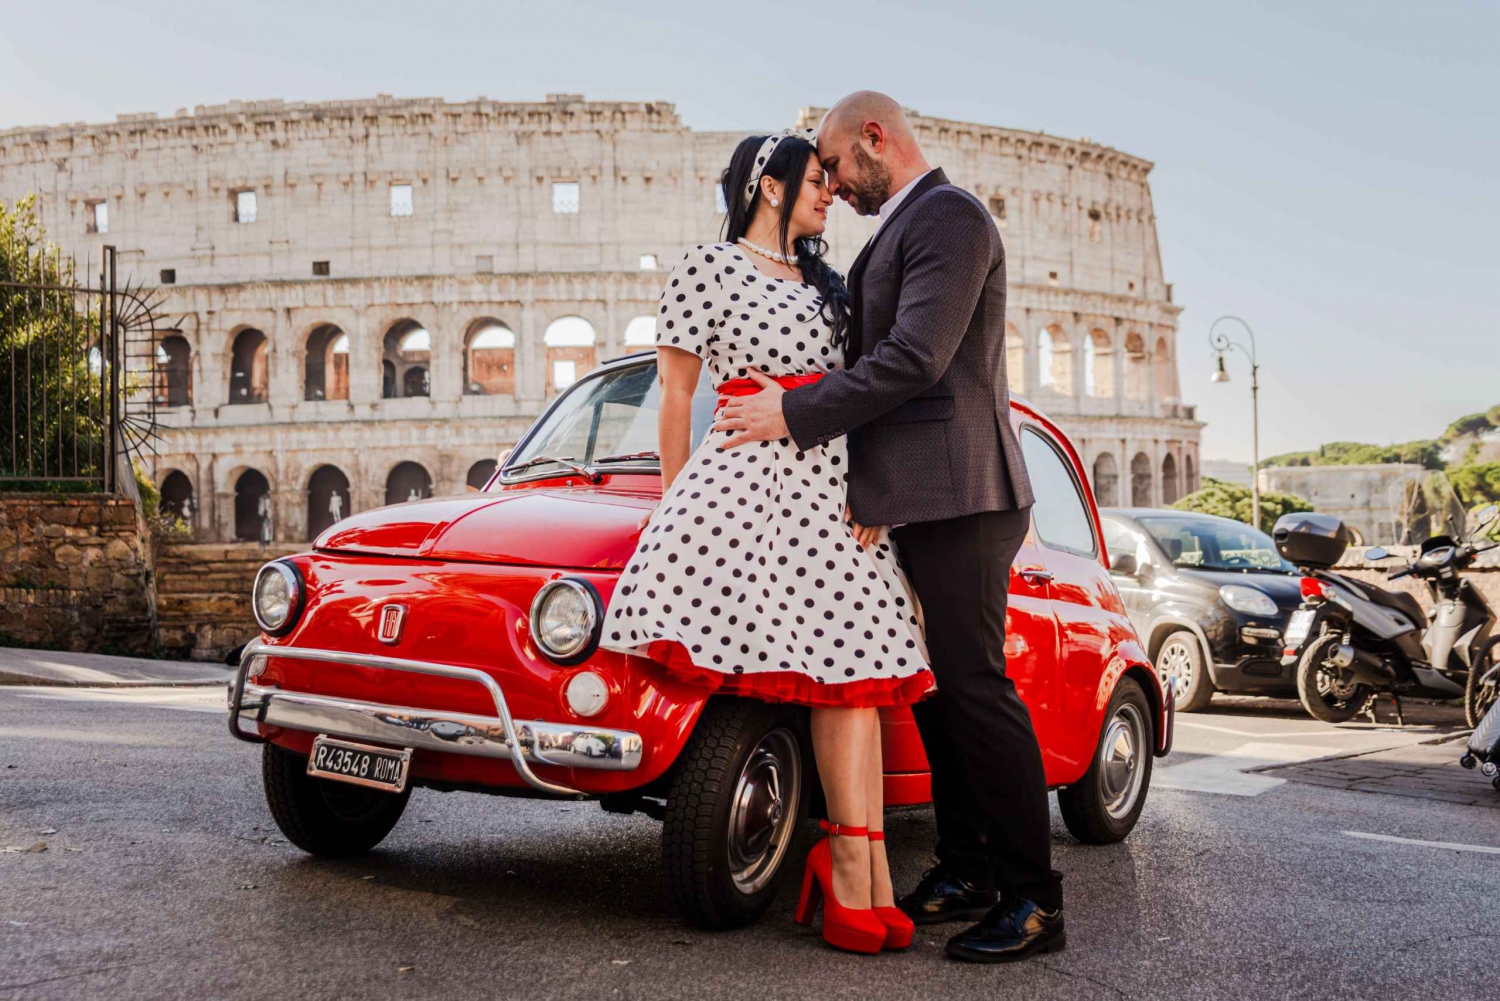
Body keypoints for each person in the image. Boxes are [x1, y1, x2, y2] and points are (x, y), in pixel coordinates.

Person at [713, 91, 1064, 964]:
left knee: (979, 690)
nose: (830, 182)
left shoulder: (950, 217)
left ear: (876, 139)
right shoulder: (902, 227)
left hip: (964, 495)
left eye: (833, 163)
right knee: (941, 694)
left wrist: (791, 416)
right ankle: (968, 866)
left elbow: (913, 361)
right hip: (921, 496)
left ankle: (1033, 899)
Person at [599, 127, 934, 956]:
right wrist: (674, 510)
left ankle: (861, 870)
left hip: (831, 490)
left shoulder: (835, 284)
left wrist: (880, 493)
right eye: (816, 180)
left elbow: (868, 392)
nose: (831, 192)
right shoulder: (707, 268)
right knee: (832, 682)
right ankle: (853, 879)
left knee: (857, 678)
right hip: (744, 485)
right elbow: (677, 399)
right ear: (769, 186)